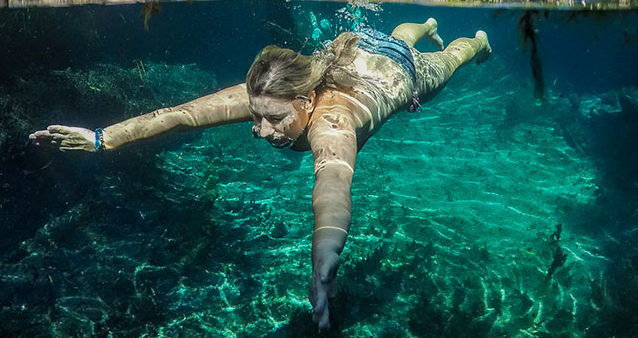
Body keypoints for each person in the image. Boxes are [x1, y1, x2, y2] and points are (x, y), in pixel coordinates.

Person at [30, 18, 491, 329]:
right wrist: (100, 138)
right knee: (397, 31)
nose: (259, 129)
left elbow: (332, 184)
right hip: (356, 45)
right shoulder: (271, 91)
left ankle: (476, 40)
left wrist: (324, 255)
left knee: (451, 59)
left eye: (272, 119)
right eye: (256, 116)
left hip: (399, 71)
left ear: (308, 103)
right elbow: (179, 115)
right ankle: (423, 24)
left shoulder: (333, 122)